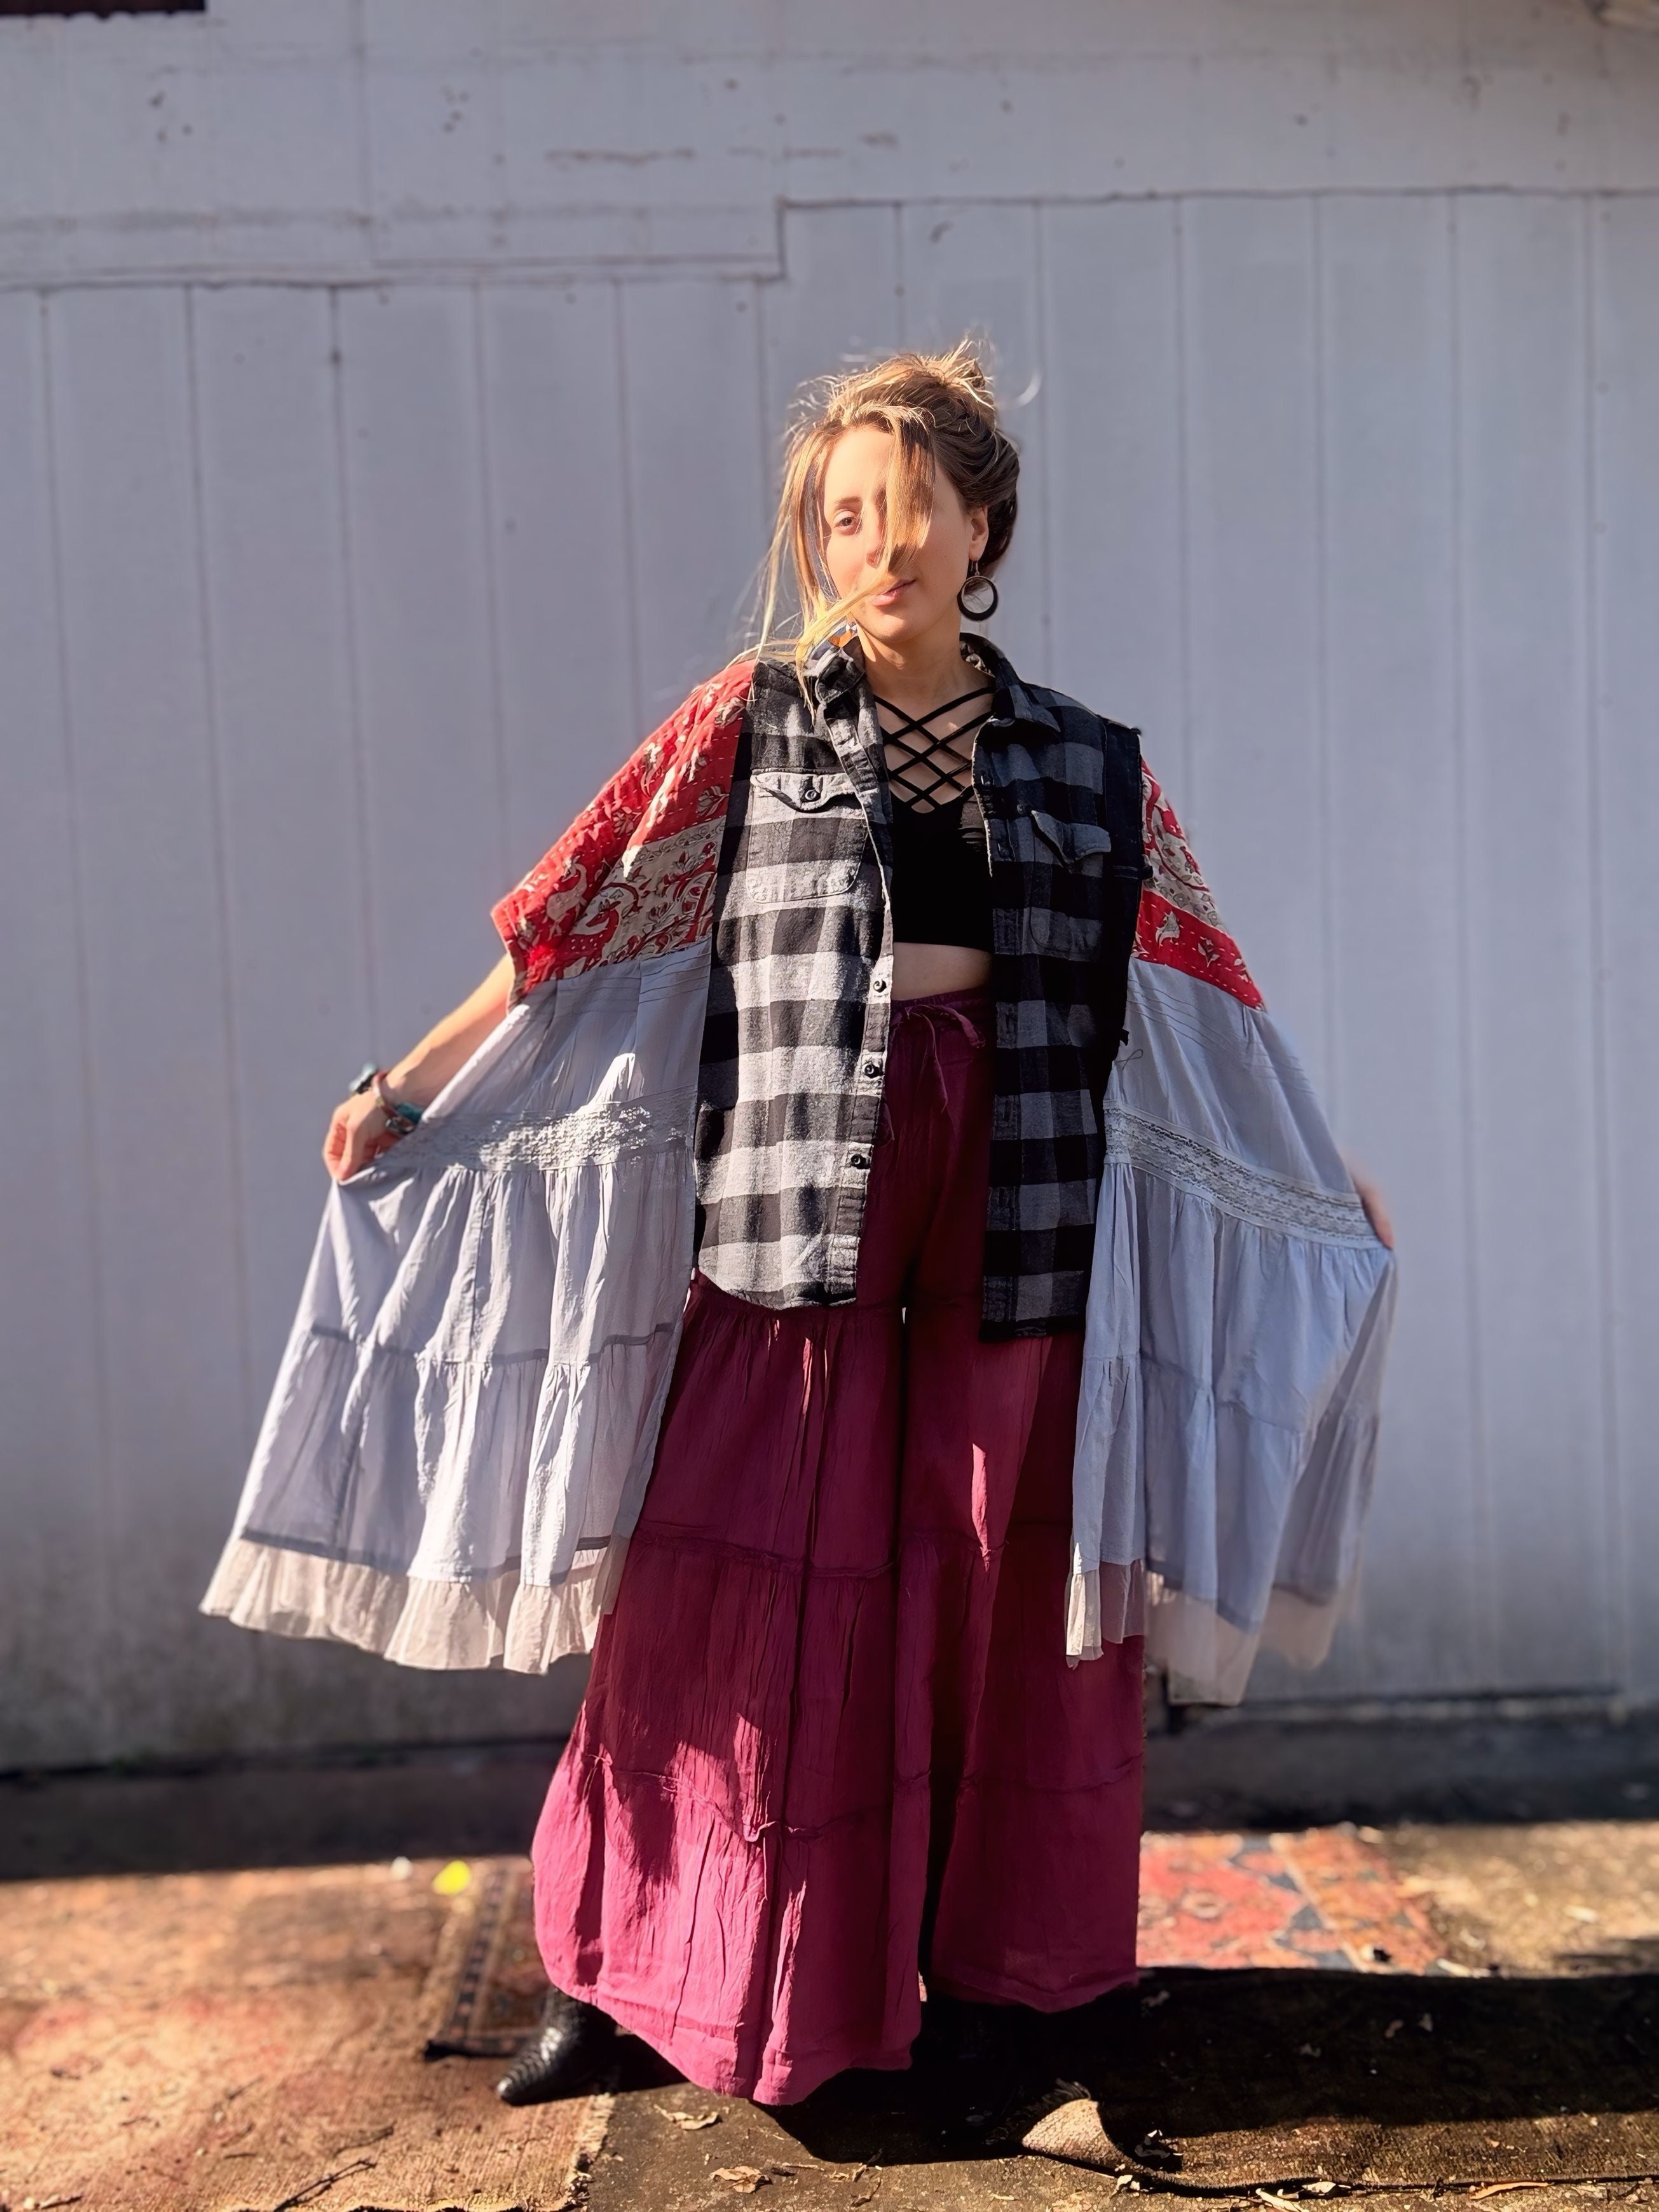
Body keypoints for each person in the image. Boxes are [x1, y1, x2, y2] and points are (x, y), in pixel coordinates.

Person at [202, 343, 1396, 2119]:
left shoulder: (1092, 763)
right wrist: (411, 1081)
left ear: (983, 528)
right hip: (791, 1176)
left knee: (1006, 1575)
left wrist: (1316, 1164)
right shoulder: (746, 723)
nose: (878, 546)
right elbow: (572, 912)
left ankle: (1005, 1985)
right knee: (729, 1568)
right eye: (844, 516)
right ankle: (619, 1976)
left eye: (913, 511)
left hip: (1020, 1175)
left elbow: (1201, 991)